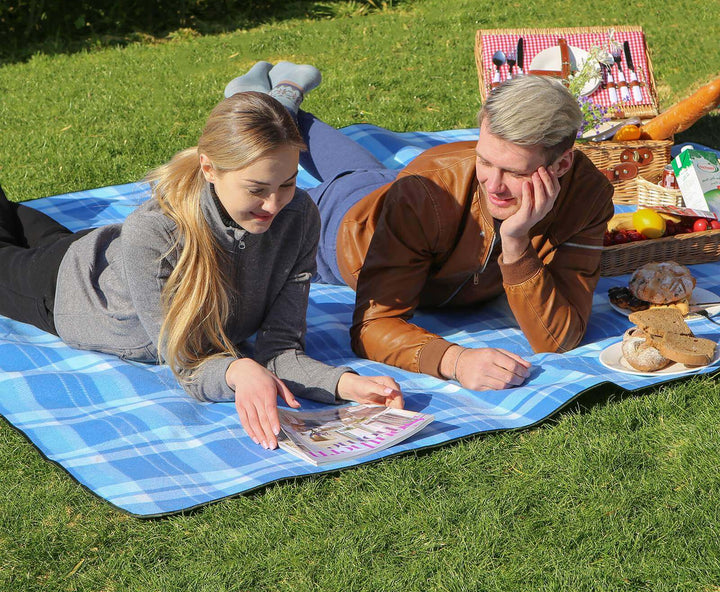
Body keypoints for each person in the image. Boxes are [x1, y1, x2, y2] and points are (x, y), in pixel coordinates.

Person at [0, 89, 403, 451]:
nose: (275, 204)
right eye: (257, 189)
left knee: (14, 215)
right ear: (210, 169)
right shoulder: (157, 230)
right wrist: (236, 371)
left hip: (105, 248)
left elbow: (280, 348)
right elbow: (188, 362)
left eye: (288, 183)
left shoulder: (300, 217)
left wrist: (348, 385)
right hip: (68, 289)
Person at [225, 63, 615, 391]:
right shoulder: (424, 192)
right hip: (344, 225)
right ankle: (268, 105)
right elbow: (372, 325)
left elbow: (558, 338)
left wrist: (515, 244)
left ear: (562, 165)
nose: (493, 184)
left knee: (366, 172)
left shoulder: (586, 194)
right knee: (292, 168)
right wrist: (455, 361)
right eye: (484, 160)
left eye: (513, 171)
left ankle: (284, 97)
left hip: (395, 191)